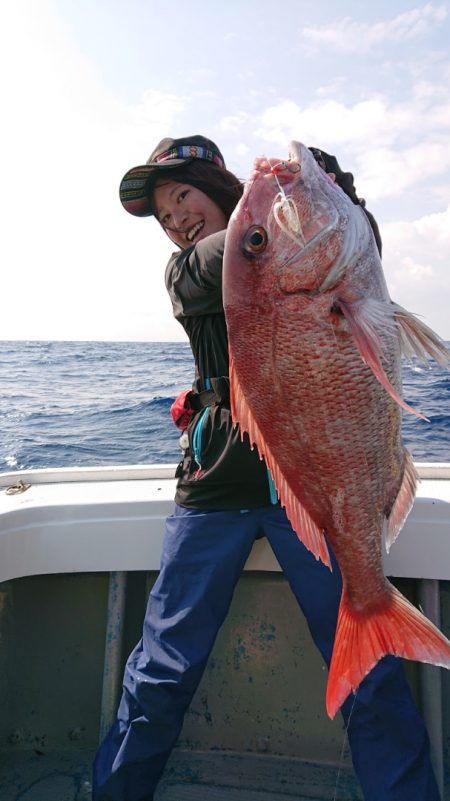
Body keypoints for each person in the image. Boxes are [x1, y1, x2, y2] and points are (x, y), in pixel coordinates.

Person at [92, 135, 440, 801]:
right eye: (163, 214)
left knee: (370, 678)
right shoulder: (191, 270)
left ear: (217, 189)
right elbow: (251, 257)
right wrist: (277, 223)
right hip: (216, 485)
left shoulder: (295, 251)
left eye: (182, 196)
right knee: (163, 668)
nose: (175, 218)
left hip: (308, 490)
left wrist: (335, 197)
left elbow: (352, 254)